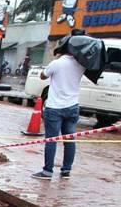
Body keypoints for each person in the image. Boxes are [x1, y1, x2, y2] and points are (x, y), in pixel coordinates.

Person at [33, 41, 85, 179]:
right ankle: (66, 170)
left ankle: (47, 171)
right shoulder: (81, 64)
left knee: (51, 140)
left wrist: (56, 60)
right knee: (70, 140)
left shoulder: (57, 63)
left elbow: (43, 75)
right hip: (73, 106)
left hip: (55, 107)